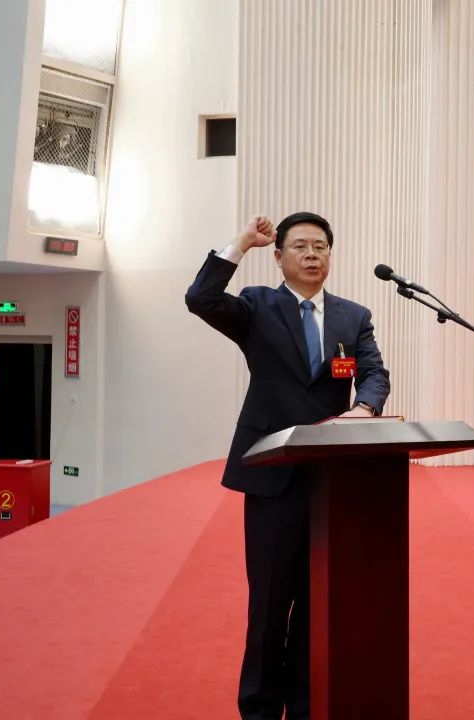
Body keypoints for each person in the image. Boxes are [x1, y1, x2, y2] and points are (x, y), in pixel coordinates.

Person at [185, 212, 390, 720]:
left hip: (331, 481)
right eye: (299, 246)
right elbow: (200, 298)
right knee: (270, 604)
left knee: (317, 603)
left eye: (320, 246)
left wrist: (365, 408)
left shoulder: (353, 316)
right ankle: (258, 709)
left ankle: (304, 705)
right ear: (278, 257)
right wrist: (239, 244)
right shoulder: (257, 306)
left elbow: (374, 373)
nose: (311, 254)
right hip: (272, 475)